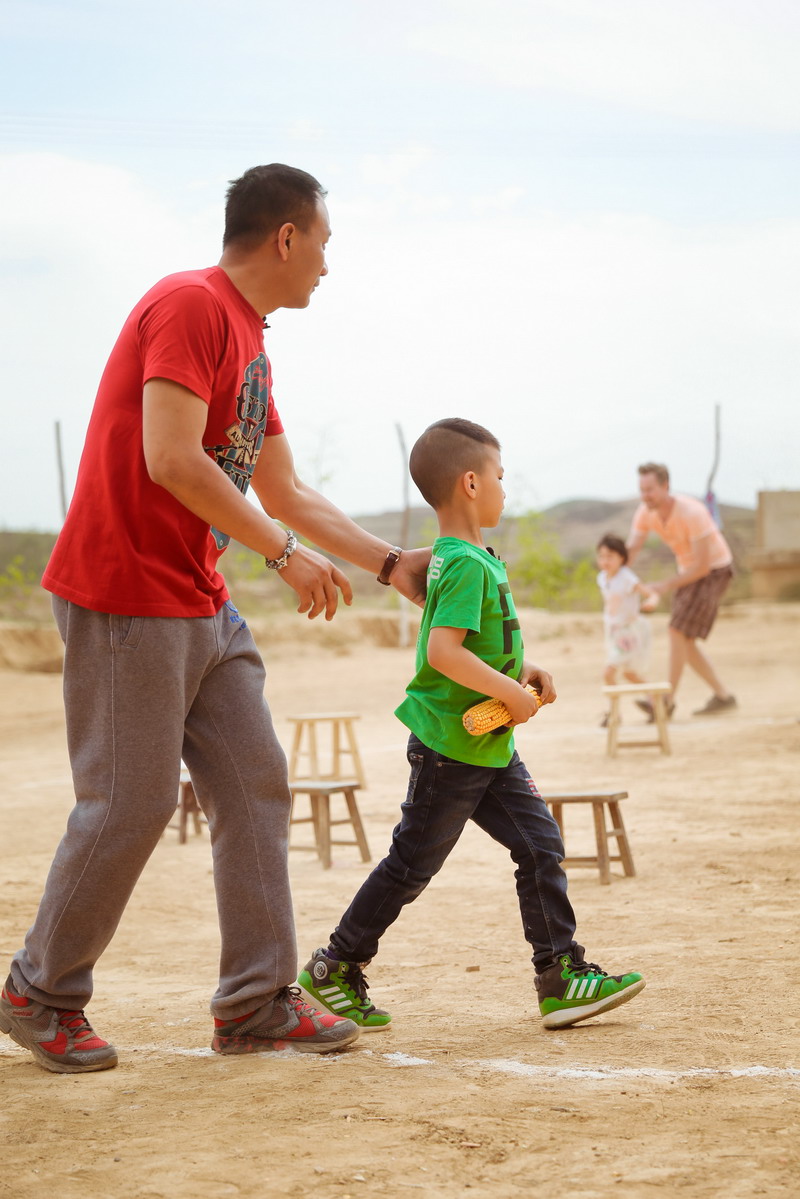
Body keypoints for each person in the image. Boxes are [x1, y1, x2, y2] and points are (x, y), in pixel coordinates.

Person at [0, 164, 431, 1073]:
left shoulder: (252, 341)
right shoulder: (192, 306)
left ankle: (254, 1001)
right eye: (323, 242)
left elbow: (283, 486)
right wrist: (278, 553)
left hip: (200, 593)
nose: (325, 264)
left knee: (254, 781)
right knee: (131, 801)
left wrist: (389, 564)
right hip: (126, 590)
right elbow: (170, 458)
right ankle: (39, 990)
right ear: (287, 235)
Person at [295, 418, 645, 1033]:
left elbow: (477, 643)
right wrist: (510, 690)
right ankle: (334, 968)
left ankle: (561, 975)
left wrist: (521, 669)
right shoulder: (461, 563)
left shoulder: (474, 559)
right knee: (413, 864)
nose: (507, 489)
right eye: (501, 477)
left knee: (540, 845)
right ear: (471, 483)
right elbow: (443, 652)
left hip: (488, 745)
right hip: (451, 749)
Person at [626, 462, 736, 718]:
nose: (645, 496)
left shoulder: (692, 512)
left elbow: (702, 566)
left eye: (650, 489)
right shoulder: (645, 512)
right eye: (642, 490)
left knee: (677, 630)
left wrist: (663, 586)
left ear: (666, 486)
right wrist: (614, 577)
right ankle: (723, 696)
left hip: (714, 571)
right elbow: (631, 550)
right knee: (684, 639)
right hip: (689, 572)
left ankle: (666, 702)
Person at [595, 534, 658, 727]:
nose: (605, 561)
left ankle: (614, 714)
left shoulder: (627, 577)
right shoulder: (602, 578)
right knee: (630, 674)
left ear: (621, 558)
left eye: (610, 556)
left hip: (628, 633)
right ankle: (656, 703)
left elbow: (650, 593)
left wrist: (652, 601)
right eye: (602, 556)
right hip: (614, 633)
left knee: (608, 672)